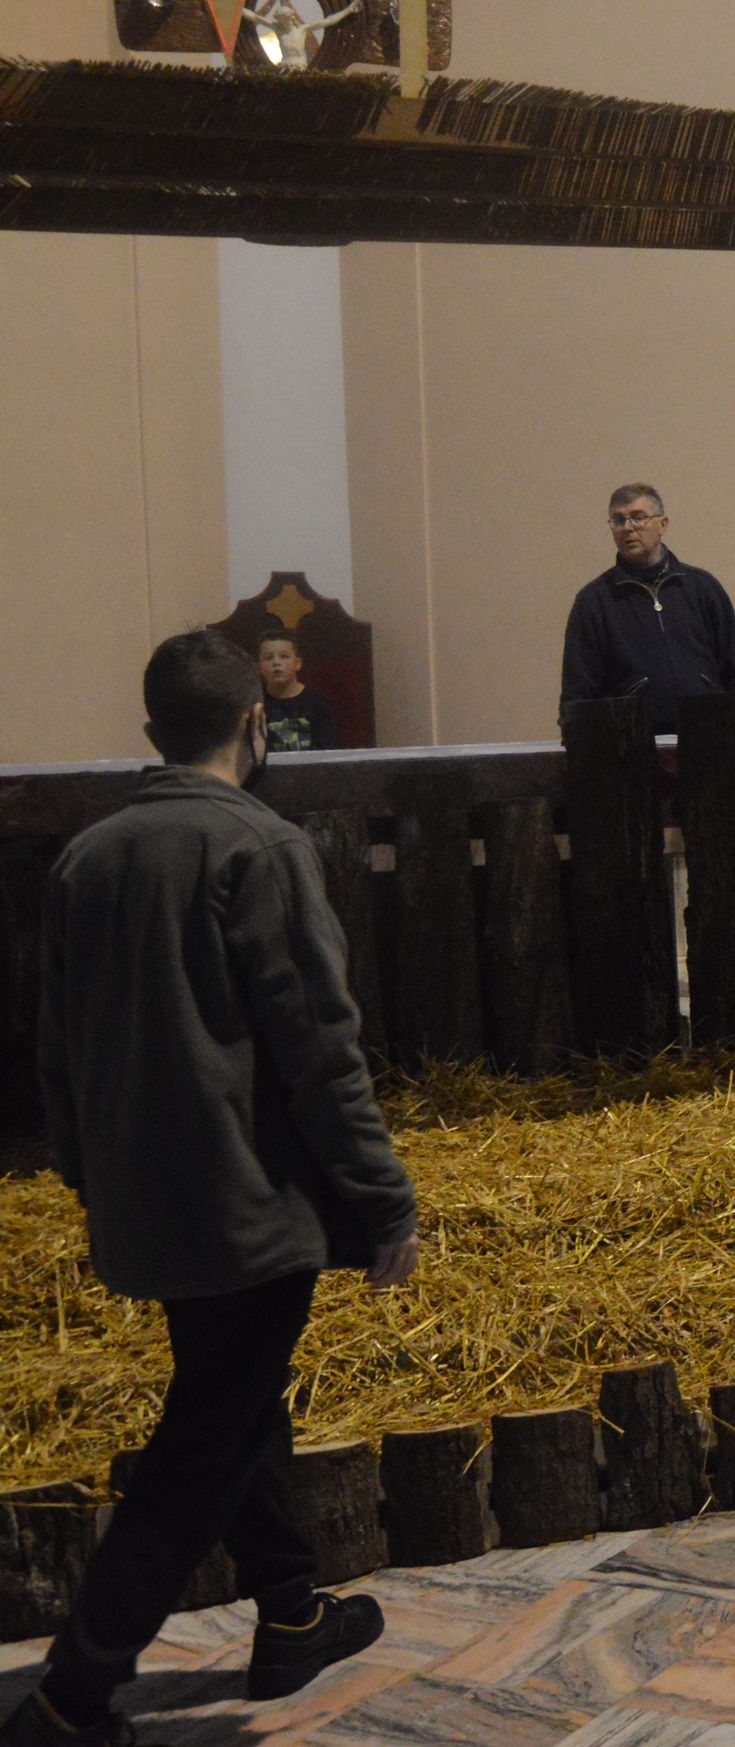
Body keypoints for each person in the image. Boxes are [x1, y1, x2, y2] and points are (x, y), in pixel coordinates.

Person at [5, 634, 420, 1747]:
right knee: (203, 1444)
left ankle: (290, 1613)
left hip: (147, 1201)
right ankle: (74, 1692)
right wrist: (384, 1198)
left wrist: (88, 1176)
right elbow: (321, 1050)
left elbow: (54, 1049)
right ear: (255, 723)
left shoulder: (87, 860)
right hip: (252, 1205)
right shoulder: (261, 847)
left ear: (152, 733)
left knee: (232, 1402)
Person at [559, 482, 735, 769]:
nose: (628, 528)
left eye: (638, 517)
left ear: (663, 524)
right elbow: (578, 689)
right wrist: (580, 749)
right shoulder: (595, 601)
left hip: (710, 742)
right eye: (618, 520)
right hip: (631, 754)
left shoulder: (702, 588)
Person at [250, 629, 337, 753]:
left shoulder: (317, 703)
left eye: (284, 656)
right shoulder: (254, 704)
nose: (276, 662)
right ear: (259, 667)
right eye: (268, 658)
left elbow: (327, 750)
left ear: (297, 664)